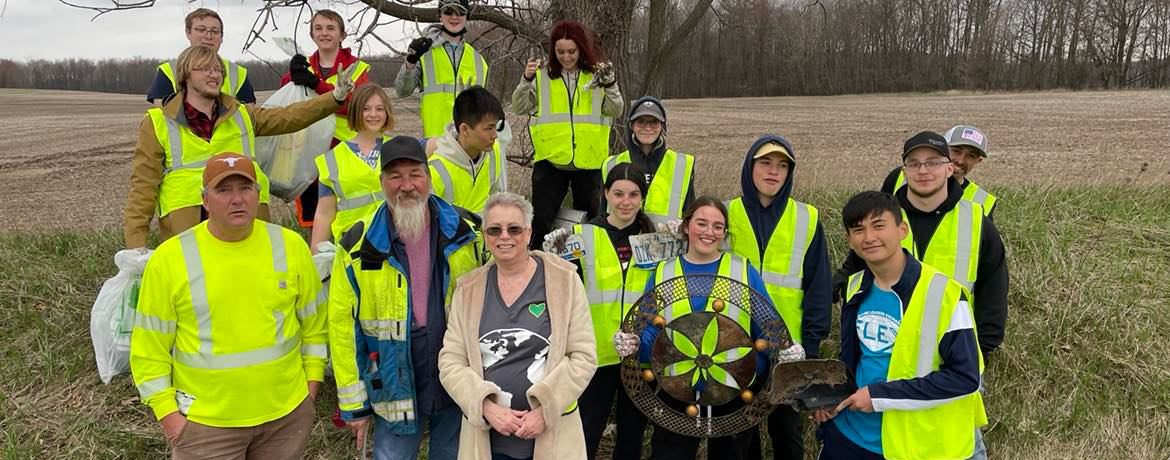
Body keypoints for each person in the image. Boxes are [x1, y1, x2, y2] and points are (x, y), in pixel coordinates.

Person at [130, 153, 327, 459]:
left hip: (286, 417)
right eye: (224, 190)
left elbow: (315, 326)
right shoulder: (170, 259)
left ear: (259, 195)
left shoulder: (290, 246)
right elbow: (148, 349)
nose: (237, 199)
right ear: (205, 200)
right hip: (206, 426)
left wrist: (310, 389)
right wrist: (170, 417)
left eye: (245, 188)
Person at [328, 136, 484, 460]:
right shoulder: (359, 244)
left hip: (456, 374)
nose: (407, 185)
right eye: (395, 176)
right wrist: (355, 404)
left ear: (428, 177)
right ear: (381, 181)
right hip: (392, 380)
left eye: (415, 174)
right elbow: (343, 326)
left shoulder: (466, 232)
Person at [123, 44, 357, 250]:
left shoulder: (242, 114)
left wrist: (335, 97)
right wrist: (135, 247)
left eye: (217, 70)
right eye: (205, 69)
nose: (214, 75)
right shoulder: (158, 123)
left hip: (247, 222)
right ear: (185, 75)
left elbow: (290, 116)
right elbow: (143, 187)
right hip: (189, 233)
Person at [614, 197, 793, 460]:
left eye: (718, 227)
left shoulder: (742, 269)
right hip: (675, 386)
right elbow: (648, 326)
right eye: (702, 223)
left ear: (724, 233)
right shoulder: (664, 271)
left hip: (733, 387)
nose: (709, 232)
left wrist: (783, 350)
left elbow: (767, 324)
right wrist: (635, 344)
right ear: (686, 226)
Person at [814, 190, 985, 460]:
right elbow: (854, 360)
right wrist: (832, 399)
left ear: (902, 230)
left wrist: (878, 396)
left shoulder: (946, 294)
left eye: (879, 225)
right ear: (849, 240)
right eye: (858, 230)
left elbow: (965, 378)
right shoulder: (855, 287)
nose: (869, 237)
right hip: (850, 437)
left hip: (914, 445)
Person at [438, 192, 598, 460]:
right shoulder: (468, 290)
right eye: (494, 230)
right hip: (488, 439)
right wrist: (486, 406)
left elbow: (583, 357)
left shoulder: (564, 281)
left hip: (550, 436)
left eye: (514, 228)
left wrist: (546, 409)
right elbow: (451, 361)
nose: (504, 237)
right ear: (485, 236)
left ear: (528, 232)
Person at [836, 131, 1008, 363]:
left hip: (952, 348)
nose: (923, 171)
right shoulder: (884, 218)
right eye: (914, 164)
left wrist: (981, 350)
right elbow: (856, 270)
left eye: (934, 163)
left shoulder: (978, 222)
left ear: (949, 169)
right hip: (884, 347)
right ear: (903, 171)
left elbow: (993, 289)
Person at [724, 136, 832, 460]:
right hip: (735, 345)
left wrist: (810, 347)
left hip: (789, 349)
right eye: (765, 163)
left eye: (782, 166)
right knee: (739, 433)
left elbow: (818, 287)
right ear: (749, 167)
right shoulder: (727, 214)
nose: (774, 172)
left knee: (787, 433)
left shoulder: (807, 218)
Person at [549, 163, 655, 459]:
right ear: (606, 193)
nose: (626, 201)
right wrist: (550, 254)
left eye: (634, 195)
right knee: (586, 430)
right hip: (594, 355)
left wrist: (679, 234)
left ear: (642, 198)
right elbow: (559, 288)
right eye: (618, 193)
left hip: (638, 354)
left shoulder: (654, 241)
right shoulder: (582, 235)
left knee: (632, 433)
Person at [512, 20, 624, 248]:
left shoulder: (596, 75)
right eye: (560, 51)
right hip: (551, 161)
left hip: (589, 161)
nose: (566, 57)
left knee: (592, 225)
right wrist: (526, 80)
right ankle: (537, 270)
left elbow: (616, 110)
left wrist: (610, 85)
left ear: (581, 48)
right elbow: (519, 106)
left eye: (571, 51)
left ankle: (587, 274)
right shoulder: (543, 76)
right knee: (540, 223)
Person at [282, 9, 372, 229]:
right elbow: (288, 103)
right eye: (318, 28)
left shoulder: (356, 67)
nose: (324, 33)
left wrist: (317, 85)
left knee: (350, 212)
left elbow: (358, 105)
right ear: (312, 34)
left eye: (331, 28)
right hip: (310, 153)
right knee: (313, 218)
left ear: (342, 35)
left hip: (345, 149)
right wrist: (290, 78)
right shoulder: (306, 66)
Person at [310, 83, 397, 250]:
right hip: (353, 250)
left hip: (396, 245)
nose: (373, 114)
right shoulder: (332, 160)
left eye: (379, 109)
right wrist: (317, 259)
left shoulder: (399, 149)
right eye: (366, 109)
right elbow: (324, 214)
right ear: (356, 111)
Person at [396, 0, 489, 138]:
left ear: (467, 16)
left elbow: (484, 108)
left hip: (469, 144)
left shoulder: (479, 60)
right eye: (448, 12)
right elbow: (402, 91)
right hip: (435, 142)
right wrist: (410, 61)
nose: (454, 17)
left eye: (460, 12)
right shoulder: (424, 52)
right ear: (440, 16)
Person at [600, 96, 695, 223]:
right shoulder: (611, 164)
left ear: (663, 126)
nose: (648, 127)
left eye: (654, 122)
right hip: (621, 240)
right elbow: (602, 213)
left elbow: (690, 213)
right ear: (632, 125)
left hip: (666, 240)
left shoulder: (682, 164)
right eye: (641, 121)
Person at [146, 8, 255, 107]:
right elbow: (162, 116)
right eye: (201, 30)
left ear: (221, 37)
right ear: (188, 33)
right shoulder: (168, 71)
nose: (208, 36)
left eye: (215, 31)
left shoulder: (238, 73)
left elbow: (249, 117)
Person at [881, 125, 997, 217]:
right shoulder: (898, 177)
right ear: (943, 149)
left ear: (978, 161)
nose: (960, 160)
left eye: (970, 156)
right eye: (956, 151)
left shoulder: (984, 201)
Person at [428, 86, 508, 214]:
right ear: (464, 129)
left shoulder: (494, 150)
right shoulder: (435, 170)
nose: (495, 135)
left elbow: (497, 196)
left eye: (495, 127)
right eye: (489, 128)